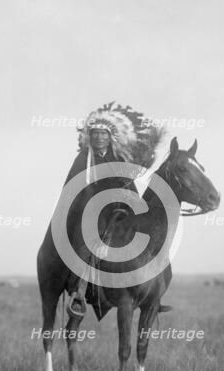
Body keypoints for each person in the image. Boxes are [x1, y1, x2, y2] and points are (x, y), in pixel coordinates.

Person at [60, 103, 165, 318]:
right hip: (90, 213)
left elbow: (129, 184)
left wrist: (136, 204)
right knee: (85, 244)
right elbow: (69, 187)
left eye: (103, 134)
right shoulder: (83, 159)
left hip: (118, 212)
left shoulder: (118, 159)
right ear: (90, 137)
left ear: (110, 137)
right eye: (95, 134)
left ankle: (153, 292)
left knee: (148, 238)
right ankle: (78, 292)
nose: (99, 138)